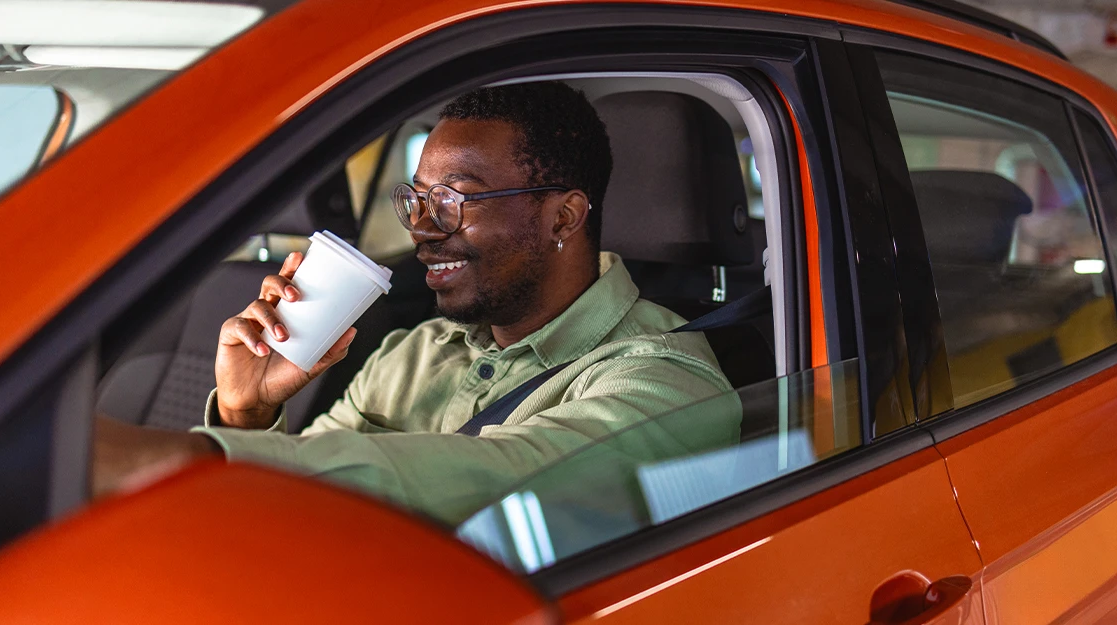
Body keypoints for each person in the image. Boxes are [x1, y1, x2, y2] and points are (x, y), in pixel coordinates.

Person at [93, 82, 736, 524]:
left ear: (562, 216)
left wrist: (186, 461)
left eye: (454, 199)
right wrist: (245, 413)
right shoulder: (413, 351)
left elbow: (513, 474)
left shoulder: (668, 381)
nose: (422, 228)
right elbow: (294, 507)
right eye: (416, 199)